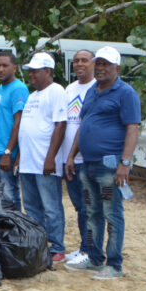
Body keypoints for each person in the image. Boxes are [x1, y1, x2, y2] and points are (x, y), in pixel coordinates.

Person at [65, 46, 141, 280]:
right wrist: (71, 156)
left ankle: (114, 264)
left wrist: (125, 164)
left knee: (112, 213)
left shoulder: (125, 93)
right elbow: (83, 124)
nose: (100, 68)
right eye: (98, 63)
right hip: (87, 163)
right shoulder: (92, 91)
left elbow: (132, 128)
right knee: (91, 212)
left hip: (110, 164)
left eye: (106, 64)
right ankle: (95, 259)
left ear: (117, 68)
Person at [15, 52, 68, 262]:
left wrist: (50, 157)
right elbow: (25, 129)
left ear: (48, 71)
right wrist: (19, 156)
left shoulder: (56, 91)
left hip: (44, 162)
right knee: (31, 207)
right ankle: (38, 243)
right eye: (30, 71)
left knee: (51, 206)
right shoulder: (32, 95)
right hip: (28, 162)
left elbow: (60, 124)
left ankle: (57, 247)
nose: (31, 75)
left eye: (35, 71)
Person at [61, 49, 97, 267]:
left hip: (84, 159)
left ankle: (90, 250)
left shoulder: (96, 89)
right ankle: (84, 246)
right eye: (76, 61)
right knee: (79, 207)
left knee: (89, 207)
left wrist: (74, 155)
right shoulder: (70, 89)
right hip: (68, 159)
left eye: (84, 60)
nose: (79, 64)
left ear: (93, 63)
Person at [0, 51, 28, 210]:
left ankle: (16, 232)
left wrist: (8, 151)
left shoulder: (18, 88)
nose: (0, 69)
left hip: (7, 153)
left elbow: (19, 121)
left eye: (5, 65)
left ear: (14, 67)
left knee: (10, 196)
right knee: (0, 197)